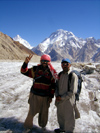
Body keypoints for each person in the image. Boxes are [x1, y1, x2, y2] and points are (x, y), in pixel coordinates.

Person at [21, 54, 56, 131]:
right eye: (43, 61)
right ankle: (27, 127)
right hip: (35, 95)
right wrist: (25, 63)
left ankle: (43, 127)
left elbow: (53, 86)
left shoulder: (52, 72)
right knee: (31, 112)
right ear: (40, 61)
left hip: (46, 97)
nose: (44, 62)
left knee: (44, 114)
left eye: (46, 61)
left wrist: (51, 96)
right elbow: (24, 71)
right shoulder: (35, 69)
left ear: (49, 62)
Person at [55, 58, 78, 133]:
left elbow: (72, 91)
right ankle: (62, 129)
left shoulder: (73, 76)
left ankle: (69, 131)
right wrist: (57, 96)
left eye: (66, 64)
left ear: (70, 65)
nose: (65, 66)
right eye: (63, 64)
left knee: (69, 118)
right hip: (60, 100)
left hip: (68, 101)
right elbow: (56, 87)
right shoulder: (59, 75)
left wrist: (61, 97)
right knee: (60, 115)